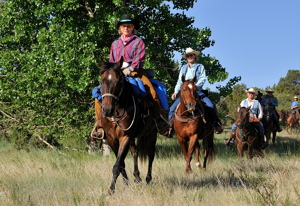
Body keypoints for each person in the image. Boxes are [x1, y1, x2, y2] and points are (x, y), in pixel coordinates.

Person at [91, 14, 169, 138]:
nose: (126, 28)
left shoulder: (139, 42)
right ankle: (99, 124)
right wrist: (113, 70)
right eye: (123, 26)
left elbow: (140, 59)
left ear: (132, 27)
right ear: (120, 28)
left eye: (128, 26)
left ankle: (160, 120)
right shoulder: (115, 43)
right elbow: (111, 60)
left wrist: (130, 68)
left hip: (135, 72)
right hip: (116, 72)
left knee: (151, 91)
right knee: (98, 92)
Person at [166, 48, 223, 138]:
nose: (189, 57)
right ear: (186, 58)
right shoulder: (183, 68)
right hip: (185, 93)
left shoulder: (200, 67)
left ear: (195, 56)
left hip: (197, 91)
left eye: (191, 55)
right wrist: (175, 92)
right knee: (172, 109)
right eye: (188, 56)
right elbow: (179, 81)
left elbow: (203, 78)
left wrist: (195, 85)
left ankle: (217, 124)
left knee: (210, 105)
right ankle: (169, 128)